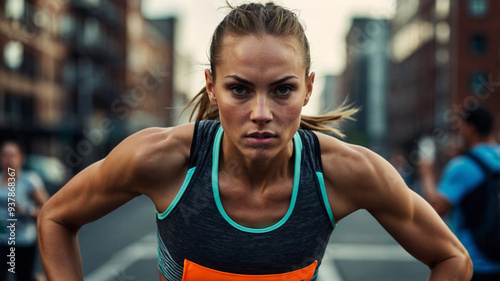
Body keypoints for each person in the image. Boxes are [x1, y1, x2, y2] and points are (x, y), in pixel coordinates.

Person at [37, 2, 472, 281]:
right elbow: (55, 218)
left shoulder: (347, 171)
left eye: (282, 89)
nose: (261, 113)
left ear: (307, 88)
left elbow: (453, 259)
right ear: (211, 87)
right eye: (240, 89)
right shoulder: (161, 157)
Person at [419, 105, 500, 280]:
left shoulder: (463, 166)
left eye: (461, 126)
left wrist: (426, 173)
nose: (459, 132)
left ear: (471, 128)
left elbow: (436, 208)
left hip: (475, 262)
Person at [0, 141, 50, 281]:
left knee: (23, 277)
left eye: (12, 155)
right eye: (5, 155)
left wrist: (26, 210)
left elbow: (48, 210)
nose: (8, 159)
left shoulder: (29, 181)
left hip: (24, 241)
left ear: (21, 158)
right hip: (2, 240)